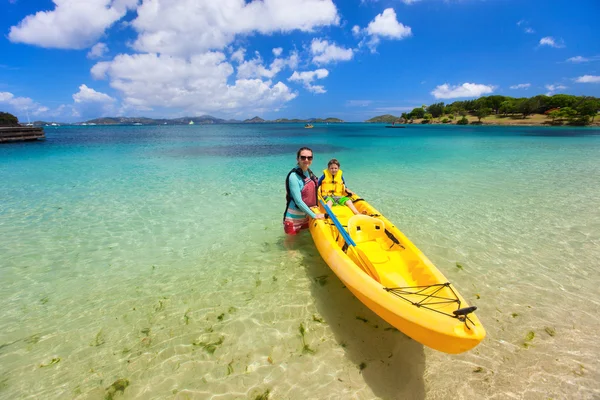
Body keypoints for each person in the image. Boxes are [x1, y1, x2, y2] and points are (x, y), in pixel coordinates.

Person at [283, 147, 326, 234]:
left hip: (306, 215)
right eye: (303, 157)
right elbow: (298, 201)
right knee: (291, 246)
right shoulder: (293, 176)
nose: (306, 160)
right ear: (297, 159)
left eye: (309, 158)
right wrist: (314, 215)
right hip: (293, 218)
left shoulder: (308, 172)